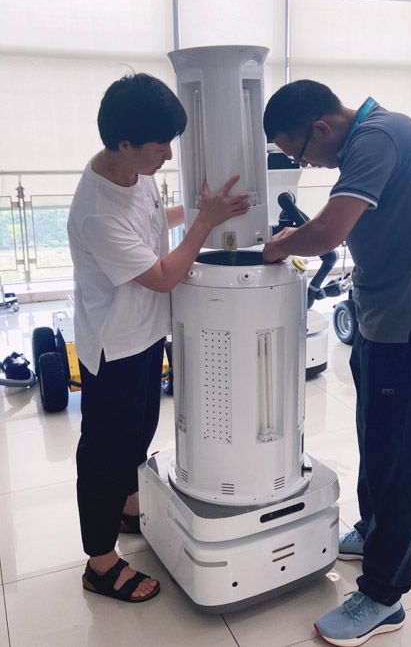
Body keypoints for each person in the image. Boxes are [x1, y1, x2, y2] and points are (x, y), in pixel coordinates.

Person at [262, 80, 411, 646]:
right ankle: (374, 532)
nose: (307, 166)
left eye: (300, 154)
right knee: (375, 439)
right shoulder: (371, 136)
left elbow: (328, 232)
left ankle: (383, 595)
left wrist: (280, 244)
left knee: (398, 462)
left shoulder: (377, 138)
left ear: (320, 128)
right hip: (382, 321)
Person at [68, 73, 249, 604]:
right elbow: (165, 275)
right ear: (125, 143)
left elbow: (152, 221)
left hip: (146, 334)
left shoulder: (134, 172)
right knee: (105, 453)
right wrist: (203, 225)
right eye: (160, 146)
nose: (167, 155)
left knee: (139, 433)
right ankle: (100, 563)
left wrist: (198, 212)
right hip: (114, 348)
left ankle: (129, 508)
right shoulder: (97, 210)